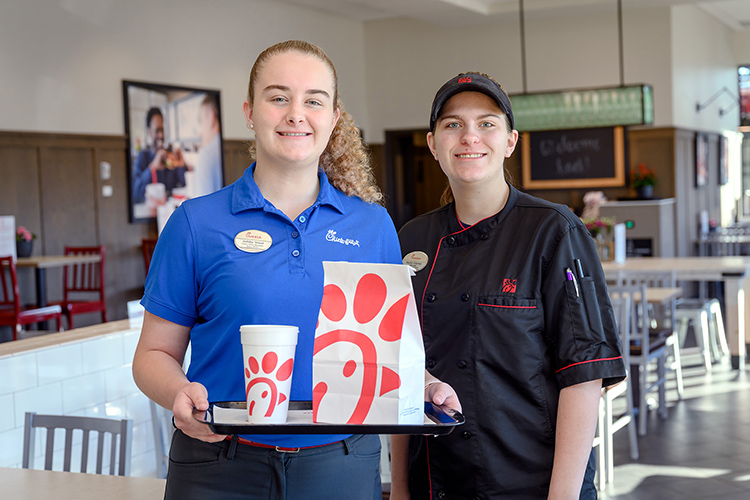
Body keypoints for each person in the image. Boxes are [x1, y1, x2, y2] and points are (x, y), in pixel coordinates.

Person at [132, 40, 458, 500]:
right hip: (218, 465)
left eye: (313, 100)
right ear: (250, 111)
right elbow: (152, 356)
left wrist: (426, 384)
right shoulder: (195, 223)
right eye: (278, 97)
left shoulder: (372, 226)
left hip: (341, 464)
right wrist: (178, 395)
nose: (296, 114)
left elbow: (388, 353)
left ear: (334, 116)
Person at [390, 73, 627, 499]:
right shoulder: (411, 239)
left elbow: (583, 377)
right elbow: (401, 368)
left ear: (510, 142)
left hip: (530, 483)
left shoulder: (555, 232)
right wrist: (403, 489)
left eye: (487, 123)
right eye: (452, 124)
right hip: (436, 481)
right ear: (432, 143)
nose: (469, 137)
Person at [132, 107, 190, 203]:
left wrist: (182, 165)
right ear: (149, 131)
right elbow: (136, 194)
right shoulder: (142, 157)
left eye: (162, 130)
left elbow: (186, 185)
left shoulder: (171, 155)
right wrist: (153, 167)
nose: (161, 135)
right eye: (157, 130)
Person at [189, 94, 223, 198]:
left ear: (211, 117)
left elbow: (201, 209)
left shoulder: (206, 155)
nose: (200, 133)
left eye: (201, 121)